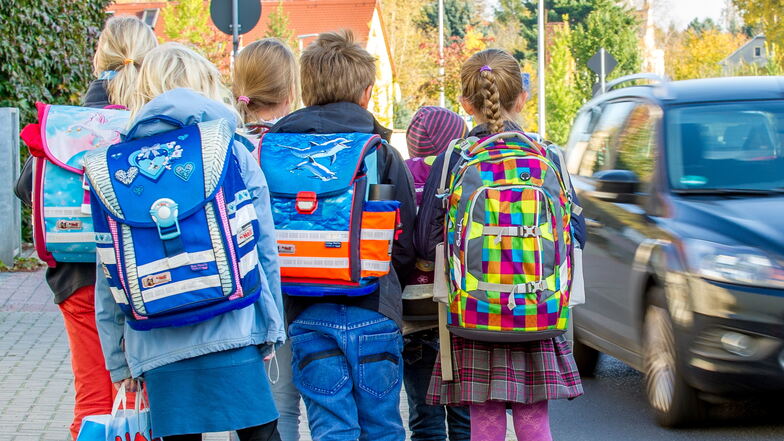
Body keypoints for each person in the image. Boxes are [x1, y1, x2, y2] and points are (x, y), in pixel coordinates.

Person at [92, 42, 286, 440]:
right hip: (235, 323)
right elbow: (262, 246)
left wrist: (118, 361)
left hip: (156, 338)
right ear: (206, 87)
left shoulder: (116, 163)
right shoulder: (232, 152)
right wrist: (271, 327)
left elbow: (107, 269)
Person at [415, 48, 586, 441]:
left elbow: (428, 242)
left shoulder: (454, 158)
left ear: (464, 103)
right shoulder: (549, 156)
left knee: (485, 422)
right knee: (533, 420)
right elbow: (577, 236)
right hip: (537, 307)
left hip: (475, 309)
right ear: (522, 98)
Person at [265, 30, 416, 441]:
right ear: (366, 93)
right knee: (383, 426)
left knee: (332, 427)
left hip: (304, 309)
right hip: (374, 307)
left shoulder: (274, 147)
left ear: (307, 89)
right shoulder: (380, 151)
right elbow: (405, 243)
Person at [13, 16, 157, 439]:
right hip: (148, 280)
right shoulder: (153, 122)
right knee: (157, 403)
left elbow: (28, 186)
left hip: (79, 275)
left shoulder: (68, 123)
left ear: (100, 58)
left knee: (94, 400)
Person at [232, 38, 302, 441]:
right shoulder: (297, 145)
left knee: (247, 408)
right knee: (282, 408)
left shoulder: (222, 147)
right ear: (290, 90)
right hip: (295, 287)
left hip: (238, 292)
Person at [402, 106, 471, 441]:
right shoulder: (464, 173)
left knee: (424, 420)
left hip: (415, 315)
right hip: (461, 313)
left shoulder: (400, 173)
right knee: (464, 420)